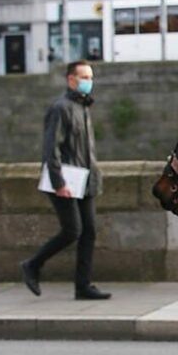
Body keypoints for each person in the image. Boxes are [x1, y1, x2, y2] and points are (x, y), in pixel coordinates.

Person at [20, 60, 110, 300]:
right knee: (72, 230)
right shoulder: (61, 108)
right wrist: (59, 183)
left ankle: (83, 286)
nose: (89, 82)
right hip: (67, 181)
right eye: (85, 77)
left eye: (91, 77)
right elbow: (51, 149)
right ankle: (33, 264)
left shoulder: (83, 107)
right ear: (71, 79)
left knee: (88, 232)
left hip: (85, 180)